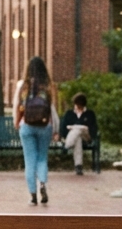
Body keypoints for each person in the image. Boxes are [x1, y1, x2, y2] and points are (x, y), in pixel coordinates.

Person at [12, 56, 59, 206]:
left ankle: (33, 195)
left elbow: (16, 106)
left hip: (27, 126)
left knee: (29, 160)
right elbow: (53, 110)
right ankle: (43, 185)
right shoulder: (49, 86)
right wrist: (56, 129)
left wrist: (17, 122)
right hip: (45, 126)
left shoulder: (23, 85)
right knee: (42, 158)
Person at [60, 92, 98, 175]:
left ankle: (67, 146)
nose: (78, 108)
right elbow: (63, 127)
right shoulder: (69, 113)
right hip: (75, 138)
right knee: (77, 137)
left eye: (80, 106)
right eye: (77, 105)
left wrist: (74, 127)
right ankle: (78, 166)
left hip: (86, 137)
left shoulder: (90, 114)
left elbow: (93, 129)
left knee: (80, 129)